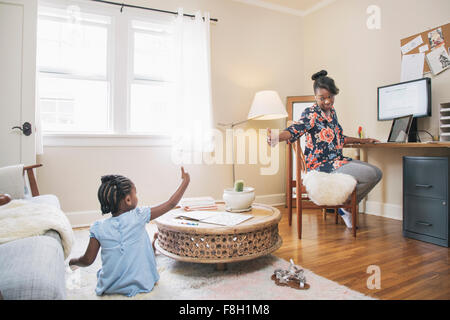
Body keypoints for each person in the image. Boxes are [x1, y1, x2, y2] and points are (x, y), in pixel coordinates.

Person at [267, 70, 382, 228]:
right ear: (315, 97)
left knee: (375, 173)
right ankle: (346, 207)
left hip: (337, 161)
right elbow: (294, 130)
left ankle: (344, 206)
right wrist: (277, 137)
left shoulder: (332, 113)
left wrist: (363, 140)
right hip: (321, 166)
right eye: (323, 98)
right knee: (372, 174)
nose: (327, 101)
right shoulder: (311, 113)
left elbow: (340, 137)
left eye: (330, 97)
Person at [69, 167, 190, 297]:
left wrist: (73, 261)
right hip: (142, 283)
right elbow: (171, 203)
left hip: (111, 286)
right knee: (141, 238)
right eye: (135, 193)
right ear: (128, 200)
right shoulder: (139, 216)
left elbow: (87, 260)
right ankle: (154, 246)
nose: (137, 196)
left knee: (139, 241)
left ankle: (153, 246)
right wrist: (186, 181)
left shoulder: (98, 228)